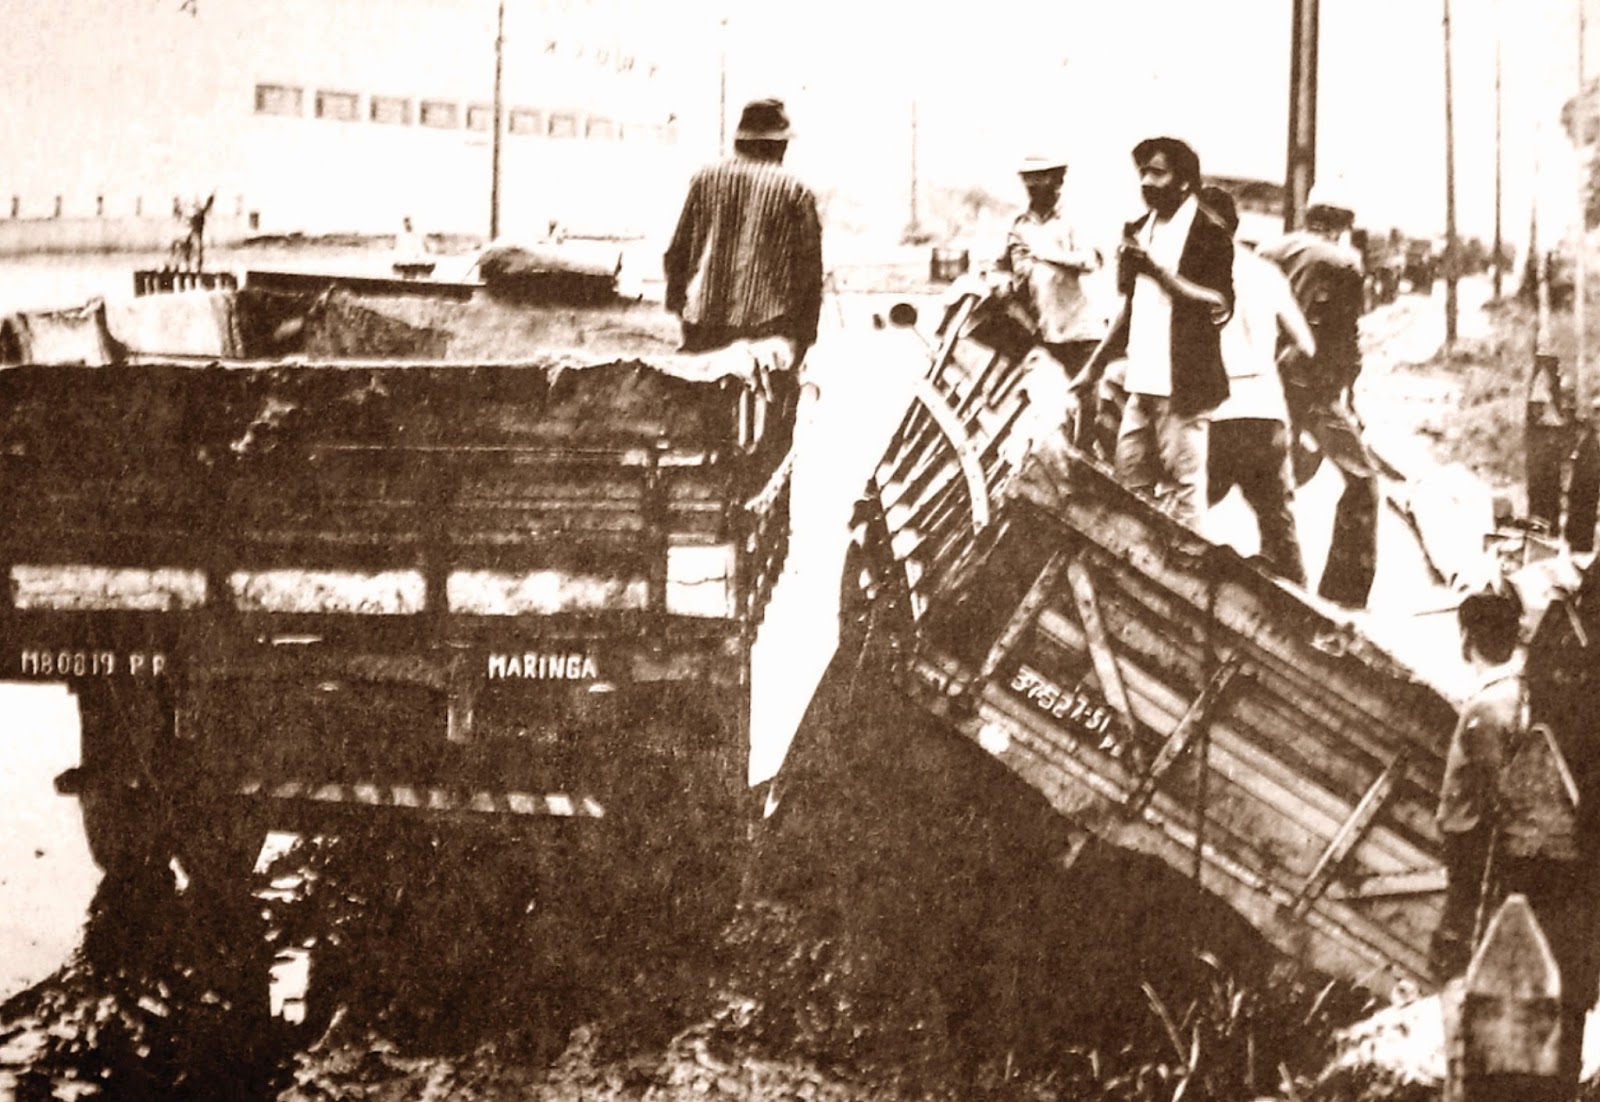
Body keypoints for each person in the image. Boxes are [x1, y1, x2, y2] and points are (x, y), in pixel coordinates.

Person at [1433, 576, 1598, 1095]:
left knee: (1482, 1034)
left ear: (1466, 638)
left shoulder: (1490, 708)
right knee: (1560, 1028)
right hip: (1569, 909)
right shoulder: (1559, 715)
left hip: (1502, 895)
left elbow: (1470, 825)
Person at [1076, 136, 1233, 527]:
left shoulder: (1208, 232)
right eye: (1143, 173)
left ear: (1183, 182)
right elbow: (1128, 310)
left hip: (1183, 386)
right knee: (1129, 482)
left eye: (1157, 173)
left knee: (1185, 491)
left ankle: (1188, 581)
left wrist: (1157, 271)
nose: (1146, 181)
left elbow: (1216, 302)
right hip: (1141, 382)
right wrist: (1094, 369)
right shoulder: (1137, 230)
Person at [1258, 191, 1379, 608]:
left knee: (1275, 478)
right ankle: (1344, 594)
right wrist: (1348, 393)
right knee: (1362, 480)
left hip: (1266, 380)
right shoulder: (1345, 263)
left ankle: (1274, 570)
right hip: (1312, 386)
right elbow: (1346, 339)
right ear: (1342, 222)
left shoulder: (1269, 251)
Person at [1198, 185, 1313, 585]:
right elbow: (1306, 345)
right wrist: (1267, 369)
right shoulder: (1267, 272)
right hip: (1266, 414)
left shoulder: (1194, 275)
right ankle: (1306, 627)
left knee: (1185, 515)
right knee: (1280, 528)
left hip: (1218, 414)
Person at [663, 97, 824, 367]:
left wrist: (680, 308)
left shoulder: (704, 178)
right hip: (768, 332)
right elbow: (808, 272)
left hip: (703, 325)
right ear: (778, 144)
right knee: (767, 407)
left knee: (703, 406)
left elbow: (678, 252)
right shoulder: (794, 190)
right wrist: (804, 338)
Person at [996, 154, 1105, 381]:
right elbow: (1001, 267)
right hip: (1043, 332)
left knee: (1087, 400)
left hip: (1081, 332)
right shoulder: (1019, 225)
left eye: (1042, 178)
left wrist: (1046, 255)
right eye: (1029, 179)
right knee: (1049, 403)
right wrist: (1005, 282)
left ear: (1058, 181)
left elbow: (1091, 260)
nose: (1034, 185)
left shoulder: (1074, 219)